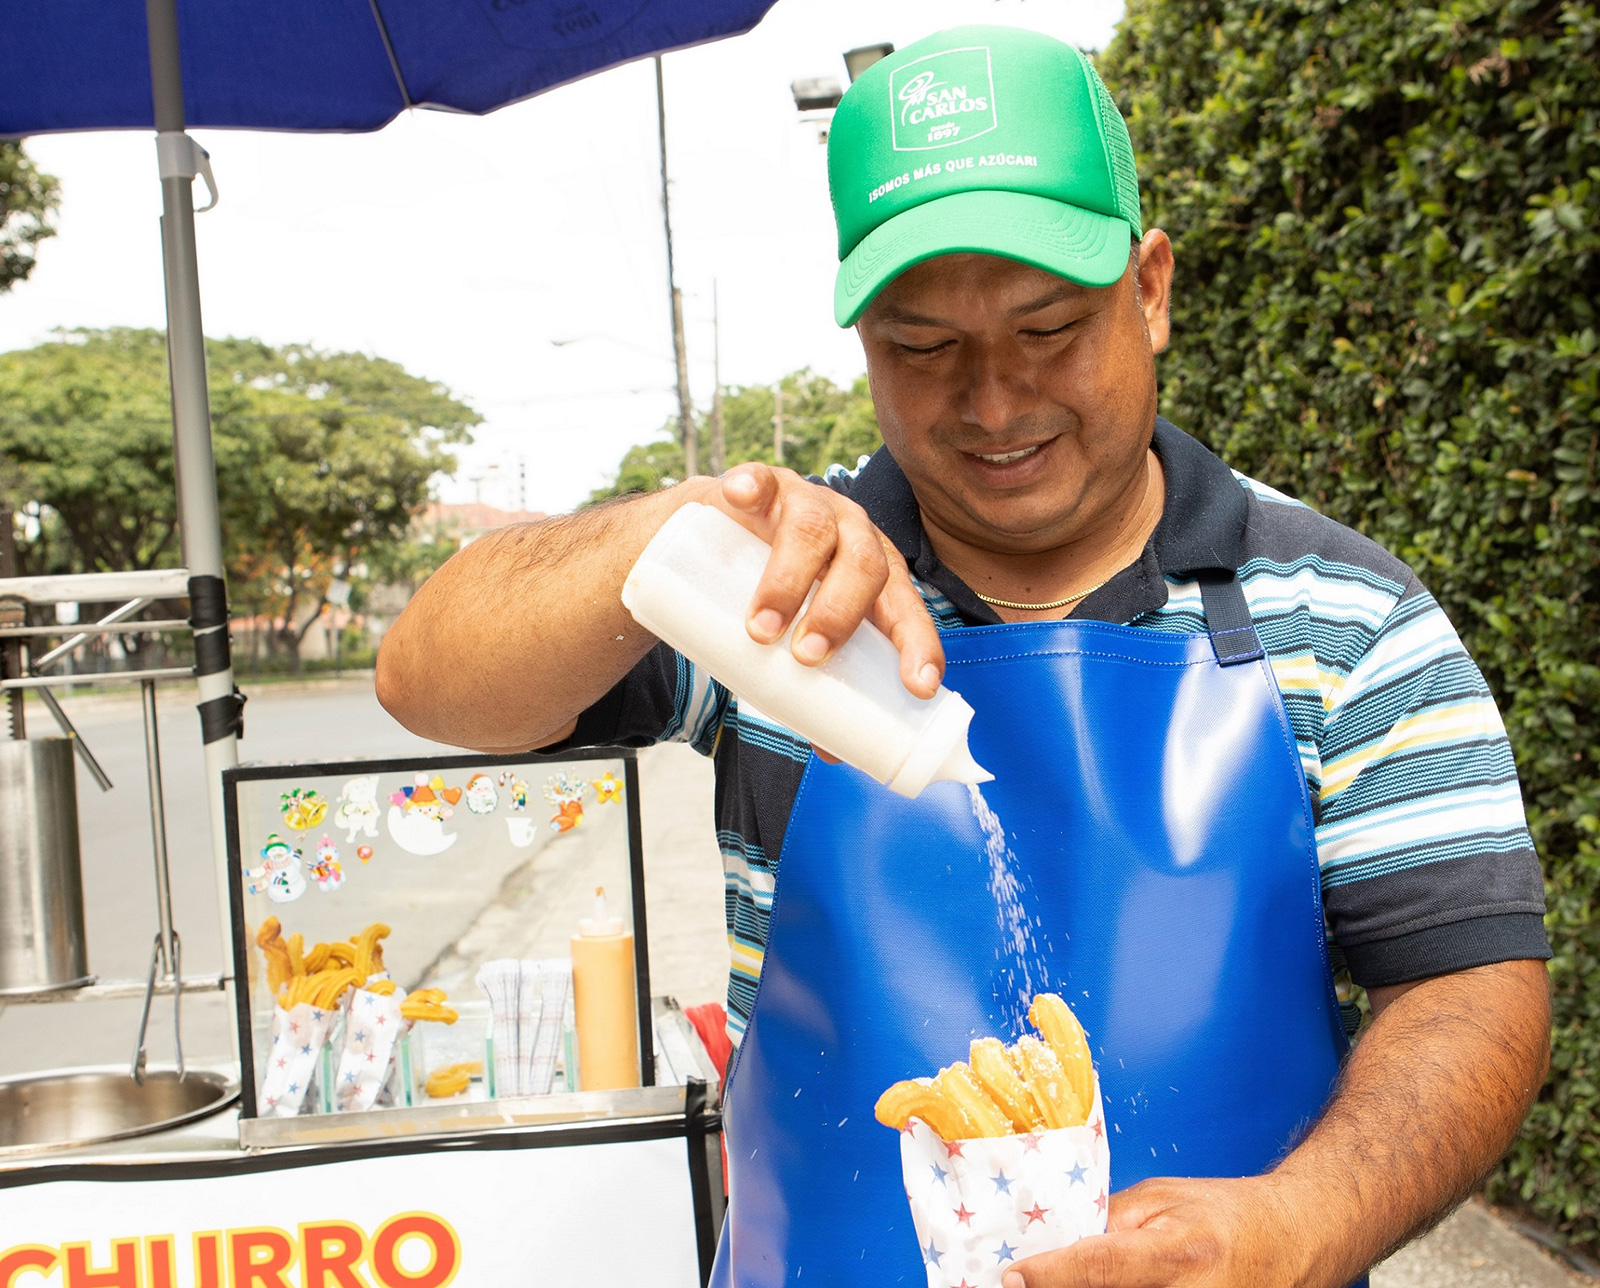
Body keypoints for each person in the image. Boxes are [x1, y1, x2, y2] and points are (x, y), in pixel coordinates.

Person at [377, 25, 1551, 1288]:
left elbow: (1469, 983)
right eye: (922, 346)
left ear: (1148, 291)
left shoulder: (1340, 614)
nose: (994, 404)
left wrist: (1306, 1224)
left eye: (1048, 327)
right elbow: (434, 682)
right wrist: (663, 533)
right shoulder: (777, 592)